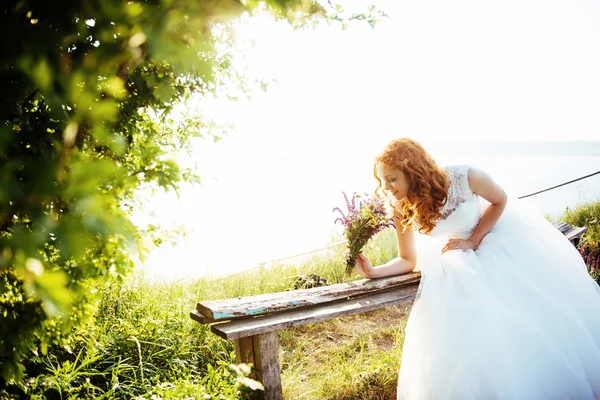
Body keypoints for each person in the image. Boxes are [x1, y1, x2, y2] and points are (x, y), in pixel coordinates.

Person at [353, 138, 600, 399]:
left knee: (525, 314)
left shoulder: (464, 177)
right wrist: (374, 271)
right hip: (455, 260)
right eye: (382, 180)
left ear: (412, 170)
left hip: (494, 240)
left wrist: (474, 240)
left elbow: (500, 200)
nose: (386, 187)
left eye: (392, 179)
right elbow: (408, 260)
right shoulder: (399, 206)